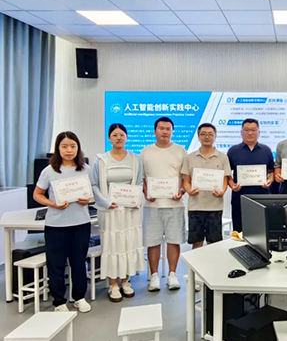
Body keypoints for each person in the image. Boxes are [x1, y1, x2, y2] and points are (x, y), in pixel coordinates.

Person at [33, 131, 95, 312]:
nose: (69, 150)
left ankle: (79, 297)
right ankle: (59, 301)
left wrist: (87, 200)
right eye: (64, 146)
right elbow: (37, 194)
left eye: (73, 146)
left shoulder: (86, 169)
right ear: (58, 149)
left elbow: (92, 194)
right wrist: (52, 204)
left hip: (81, 223)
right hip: (56, 225)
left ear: (78, 148)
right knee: (56, 263)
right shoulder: (49, 171)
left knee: (79, 262)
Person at [92, 124, 144, 303]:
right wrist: (106, 202)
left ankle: (126, 281)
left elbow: (139, 183)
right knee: (112, 245)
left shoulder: (135, 159)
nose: (119, 138)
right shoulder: (101, 160)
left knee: (128, 243)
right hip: (110, 211)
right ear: (109, 138)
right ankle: (113, 284)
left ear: (127, 137)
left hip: (129, 211)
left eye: (122, 134)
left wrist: (136, 200)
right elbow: (94, 185)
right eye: (115, 135)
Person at [141, 117, 187, 292]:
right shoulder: (146, 152)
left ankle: (172, 274)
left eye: (168, 129)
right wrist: (146, 192)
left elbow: (185, 177)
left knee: (174, 240)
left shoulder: (180, 151)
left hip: (174, 204)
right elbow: (143, 178)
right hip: (152, 205)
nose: (165, 131)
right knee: (153, 241)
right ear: (155, 131)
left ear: (172, 131)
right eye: (161, 128)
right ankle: (154, 276)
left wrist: (181, 191)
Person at [182, 123, 231, 249]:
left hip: (215, 207)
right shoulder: (189, 157)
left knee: (213, 243)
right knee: (196, 242)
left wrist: (222, 192)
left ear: (215, 136)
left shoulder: (223, 157)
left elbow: (225, 180)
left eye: (210, 134)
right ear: (198, 137)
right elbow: (186, 180)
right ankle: (195, 263)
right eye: (203, 134)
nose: (207, 137)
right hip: (195, 206)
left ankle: (212, 263)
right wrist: (189, 190)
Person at [227, 118, 274, 233]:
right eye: (246, 130)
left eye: (253, 130)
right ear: (241, 132)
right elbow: (227, 174)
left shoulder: (266, 150)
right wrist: (232, 185)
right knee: (239, 231)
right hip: (240, 197)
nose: (250, 133)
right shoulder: (233, 151)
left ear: (259, 132)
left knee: (261, 230)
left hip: (262, 196)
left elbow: (271, 171)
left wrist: (269, 181)